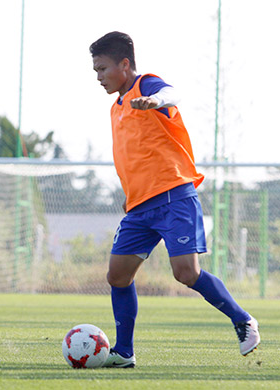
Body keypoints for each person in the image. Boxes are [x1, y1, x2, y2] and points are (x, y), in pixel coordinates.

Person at [89, 32, 260, 368]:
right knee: (118, 276)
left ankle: (243, 320)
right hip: (139, 208)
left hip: (173, 197)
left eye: (102, 69)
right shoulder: (116, 108)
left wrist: (156, 101)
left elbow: (172, 93)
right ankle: (124, 352)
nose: (98, 77)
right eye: (95, 70)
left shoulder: (147, 86)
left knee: (185, 273)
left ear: (124, 65)